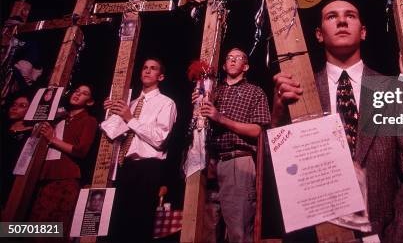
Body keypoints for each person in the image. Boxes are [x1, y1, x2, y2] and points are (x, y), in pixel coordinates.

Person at [272, 0, 403, 242]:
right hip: (318, 232)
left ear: (363, 32)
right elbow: (287, 174)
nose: (342, 20)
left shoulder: (395, 91)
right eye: (331, 16)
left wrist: (398, 237)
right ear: (319, 34)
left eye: (350, 15)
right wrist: (279, 117)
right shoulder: (302, 93)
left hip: (381, 232)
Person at [191, 47, 270, 243]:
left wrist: (221, 118)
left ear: (246, 66)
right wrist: (196, 105)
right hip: (209, 164)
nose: (233, 61)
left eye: (238, 58)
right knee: (206, 232)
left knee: (238, 232)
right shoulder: (213, 92)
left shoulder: (255, 91)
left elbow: (257, 131)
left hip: (238, 161)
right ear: (224, 65)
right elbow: (199, 125)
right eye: (229, 58)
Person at [103, 58, 177, 242]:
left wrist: (130, 119)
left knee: (140, 223)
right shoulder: (132, 103)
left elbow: (159, 138)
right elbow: (113, 133)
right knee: (118, 222)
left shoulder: (166, 103)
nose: (147, 71)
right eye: (145, 67)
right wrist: (110, 114)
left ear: (160, 76)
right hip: (125, 166)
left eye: (153, 69)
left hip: (148, 168)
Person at [28, 84, 98, 243]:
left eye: (84, 93)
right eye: (77, 91)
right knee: (33, 228)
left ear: (90, 102)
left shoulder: (89, 120)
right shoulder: (59, 117)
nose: (78, 94)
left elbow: (81, 151)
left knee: (54, 231)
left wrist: (53, 139)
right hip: (43, 176)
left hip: (66, 178)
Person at [0, 95, 33, 207]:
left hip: (12, 182)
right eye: (14, 105)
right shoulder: (4, 129)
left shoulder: (32, 133)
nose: (14, 108)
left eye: (22, 106)